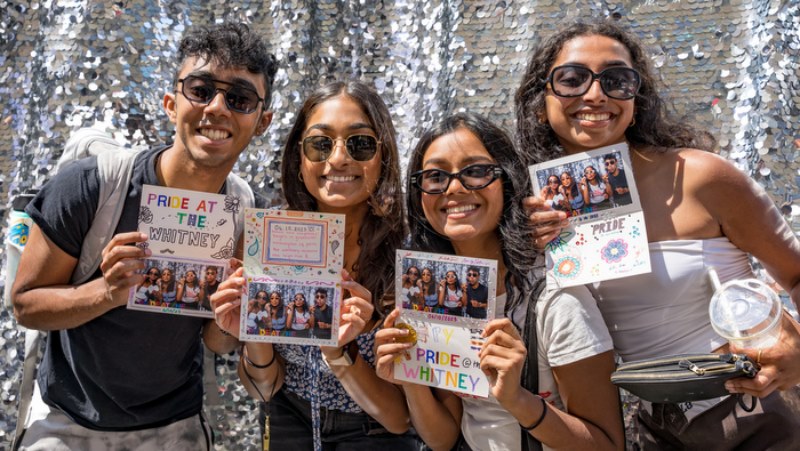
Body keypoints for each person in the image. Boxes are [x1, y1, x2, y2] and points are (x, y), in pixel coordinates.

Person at [516, 20, 800, 449]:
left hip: (755, 411)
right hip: (656, 428)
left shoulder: (700, 177)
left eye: (617, 80)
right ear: (542, 102)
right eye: (572, 80)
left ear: (636, 98)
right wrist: (527, 246)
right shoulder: (527, 209)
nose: (595, 95)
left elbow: (795, 275)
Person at [11, 22, 276, 449]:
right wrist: (108, 291)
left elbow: (217, 340)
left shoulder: (248, 214)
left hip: (175, 427)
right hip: (68, 424)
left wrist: (231, 318)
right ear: (172, 103)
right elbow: (25, 305)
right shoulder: (91, 186)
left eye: (239, 98)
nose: (217, 109)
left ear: (261, 122)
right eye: (201, 90)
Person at [376, 112, 623, 451]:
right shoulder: (434, 296)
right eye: (435, 176)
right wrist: (410, 378)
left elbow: (607, 445)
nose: (455, 188)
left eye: (476, 171)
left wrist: (517, 398)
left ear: (507, 180)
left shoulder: (558, 300)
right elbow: (443, 438)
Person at [211, 80, 416, 450]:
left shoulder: (407, 255)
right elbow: (264, 388)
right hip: (289, 419)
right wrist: (252, 331)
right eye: (321, 144)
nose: (338, 159)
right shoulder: (266, 236)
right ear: (299, 159)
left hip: (374, 431)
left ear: (383, 156)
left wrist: (339, 352)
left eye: (360, 144)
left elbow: (400, 420)